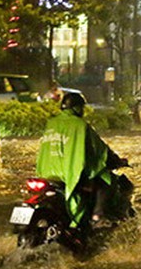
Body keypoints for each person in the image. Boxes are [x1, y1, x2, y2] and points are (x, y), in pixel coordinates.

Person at [35, 92, 125, 230]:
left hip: (47, 173)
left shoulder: (51, 123)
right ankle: (97, 217)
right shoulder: (80, 125)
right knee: (106, 183)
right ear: (77, 108)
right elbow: (99, 148)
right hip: (70, 174)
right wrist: (115, 159)